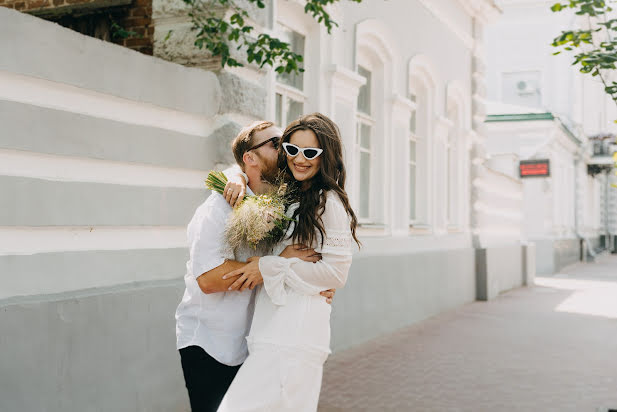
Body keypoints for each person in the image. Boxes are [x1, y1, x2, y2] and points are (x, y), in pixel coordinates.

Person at [175, 120, 333, 412]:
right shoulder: (216, 210)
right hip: (211, 343)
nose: (284, 150)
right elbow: (208, 279)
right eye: (275, 144)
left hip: (256, 342)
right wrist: (276, 265)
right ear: (250, 158)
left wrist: (311, 282)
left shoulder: (280, 204)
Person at [217, 113, 361, 412]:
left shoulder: (328, 203)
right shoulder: (293, 194)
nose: (300, 159)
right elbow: (246, 166)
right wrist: (237, 176)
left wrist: (270, 266)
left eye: (310, 153)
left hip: (295, 333)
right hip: (273, 328)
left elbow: (335, 273)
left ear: (326, 156)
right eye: (292, 150)